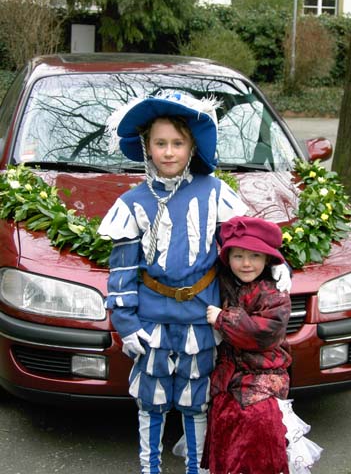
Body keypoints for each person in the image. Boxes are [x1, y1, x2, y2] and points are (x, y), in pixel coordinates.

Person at [98, 91, 292, 474]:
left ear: (191, 147)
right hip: (152, 319)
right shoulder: (132, 202)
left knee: (195, 398)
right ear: (147, 147)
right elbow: (121, 273)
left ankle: (195, 468)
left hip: (200, 318)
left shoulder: (215, 193)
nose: (169, 152)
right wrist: (126, 322)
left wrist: (278, 264)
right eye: (160, 144)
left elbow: (244, 245)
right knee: (151, 400)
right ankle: (149, 467)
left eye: (177, 143)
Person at [202, 215, 322, 474]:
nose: (246, 264)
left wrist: (223, 318)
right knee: (223, 418)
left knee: (258, 420)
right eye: (238, 256)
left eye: (255, 256)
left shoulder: (274, 293)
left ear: (268, 259)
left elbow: (263, 334)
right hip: (228, 374)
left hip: (264, 373)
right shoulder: (222, 282)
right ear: (227, 259)